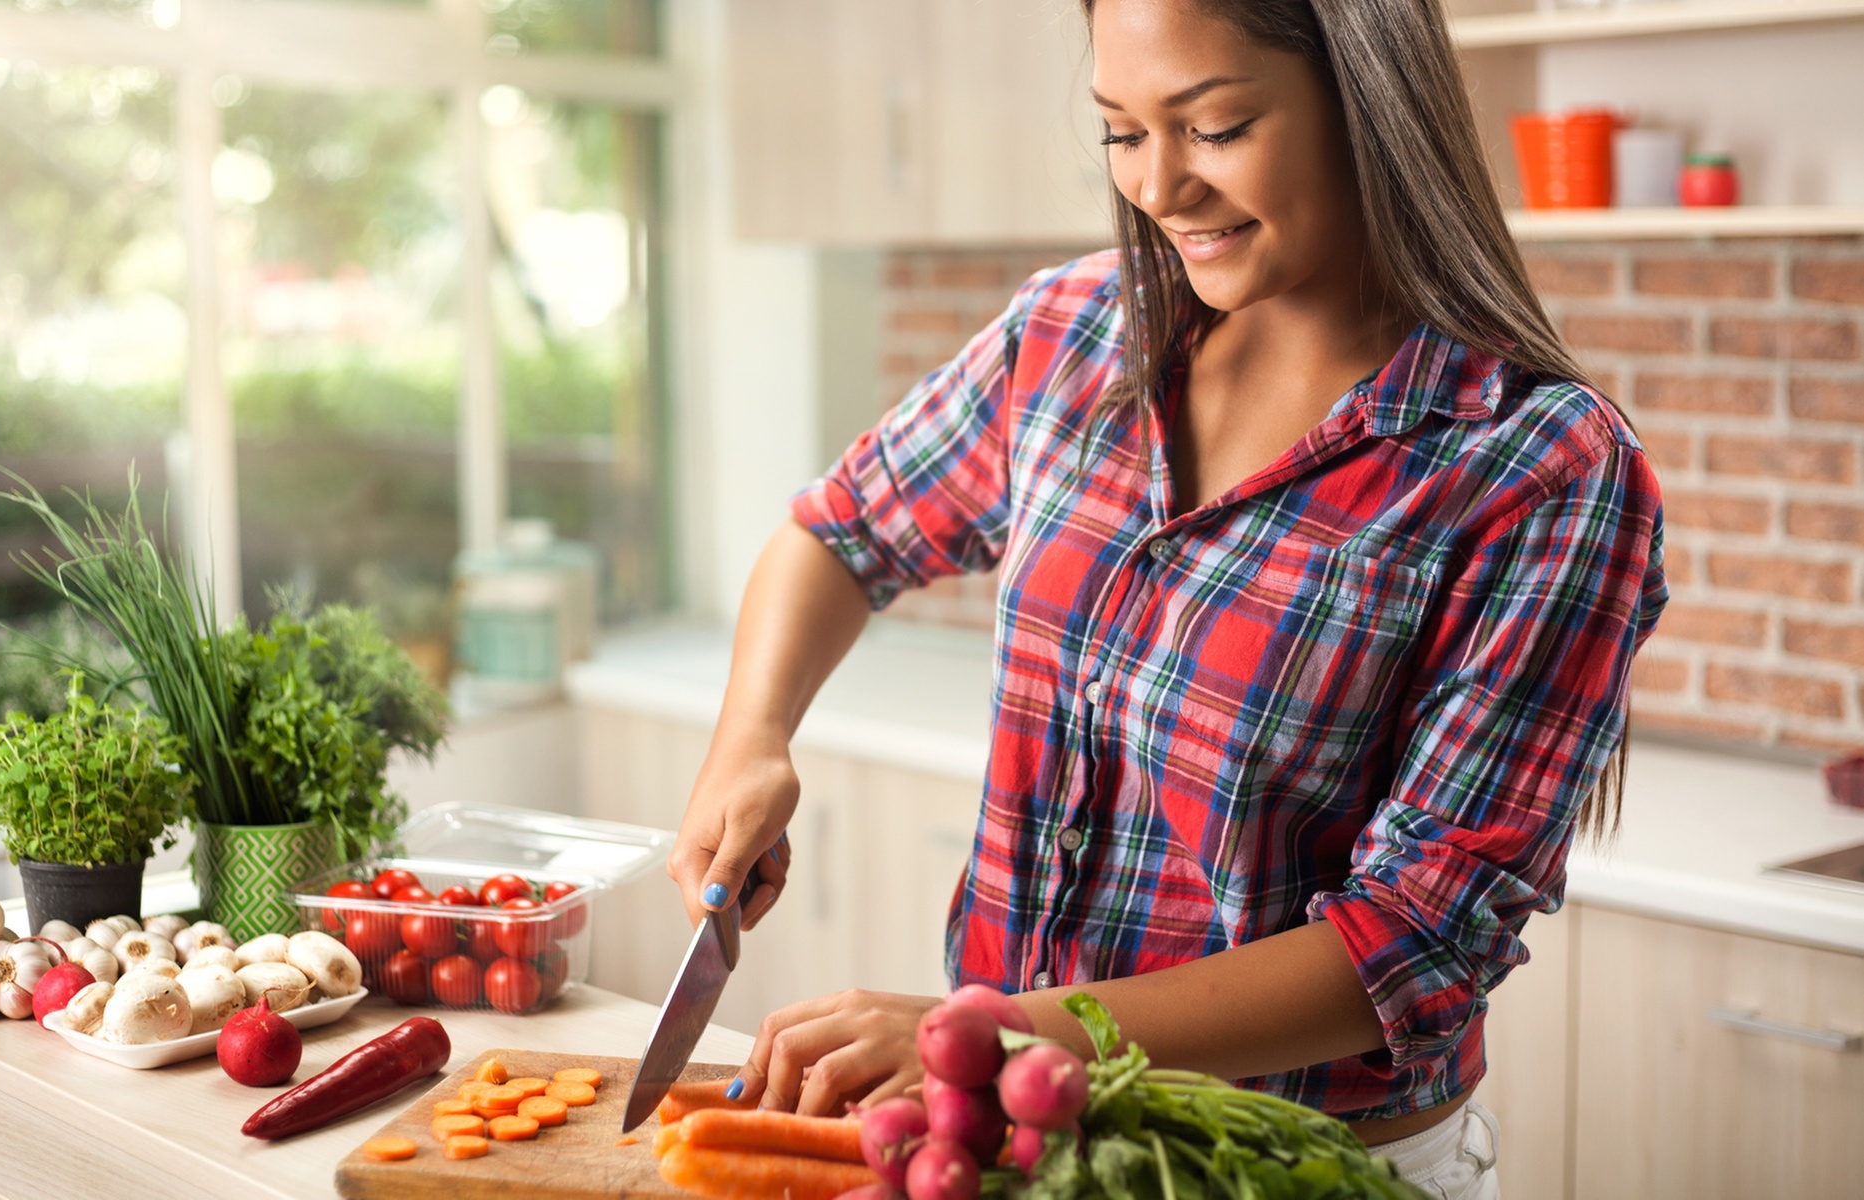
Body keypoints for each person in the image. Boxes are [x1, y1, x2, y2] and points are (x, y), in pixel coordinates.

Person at [666, 0, 1667, 1194]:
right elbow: (838, 534)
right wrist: (749, 741)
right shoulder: (1072, 334)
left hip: (1298, 1167)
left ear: (1369, 100)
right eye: (1122, 132)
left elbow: (1415, 940)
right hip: (1019, 1138)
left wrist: (1002, 1034)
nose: (1158, 187)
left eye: (1216, 127)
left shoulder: (1542, 464)